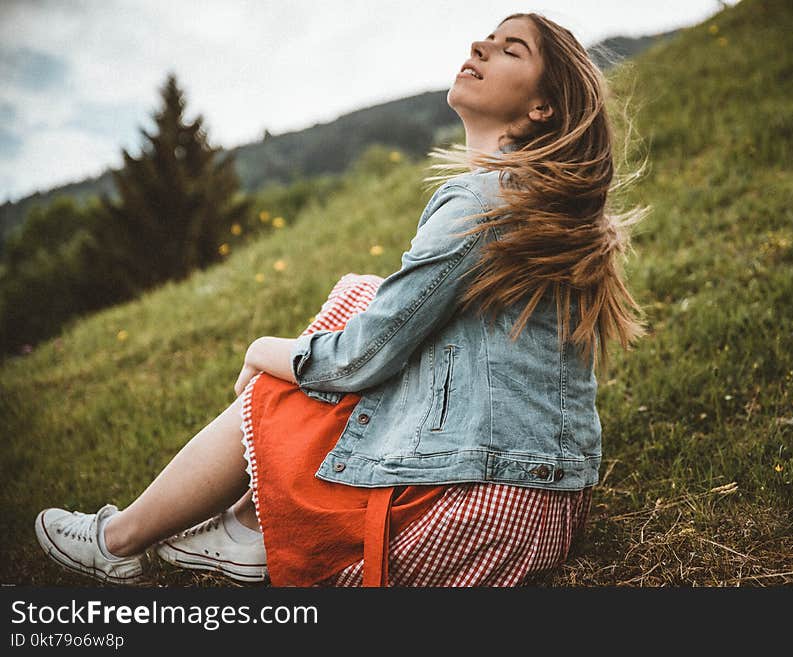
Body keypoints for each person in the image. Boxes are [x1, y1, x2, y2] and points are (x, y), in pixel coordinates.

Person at [34, 11, 647, 587]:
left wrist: (263, 350)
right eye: (487, 36)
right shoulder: (537, 205)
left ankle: (121, 541)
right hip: (545, 509)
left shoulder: (484, 203)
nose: (480, 47)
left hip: (479, 512)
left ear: (543, 106)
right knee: (360, 297)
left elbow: (360, 360)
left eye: (511, 48)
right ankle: (251, 525)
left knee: (288, 376)